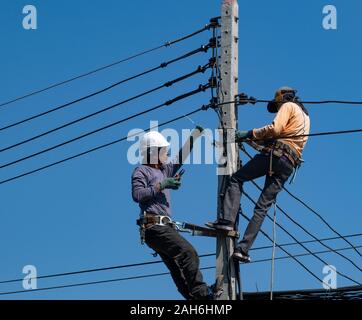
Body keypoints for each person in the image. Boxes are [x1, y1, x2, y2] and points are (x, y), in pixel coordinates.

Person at [207, 87, 311, 263]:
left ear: (281, 98)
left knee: (236, 178)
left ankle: (227, 221)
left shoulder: (288, 106)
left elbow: (276, 129)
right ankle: (243, 249)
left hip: (277, 155)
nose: (278, 109)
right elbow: (284, 136)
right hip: (289, 164)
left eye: (277, 106)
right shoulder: (305, 116)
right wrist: (252, 139)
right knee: (262, 208)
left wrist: (249, 133)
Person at [131, 127, 223, 299]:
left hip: (164, 227)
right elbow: (137, 195)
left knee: (177, 267)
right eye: (163, 150)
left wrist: (194, 136)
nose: (166, 153)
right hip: (154, 227)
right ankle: (202, 294)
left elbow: (180, 158)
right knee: (188, 253)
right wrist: (162, 185)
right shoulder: (141, 170)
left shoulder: (163, 170)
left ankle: (195, 298)